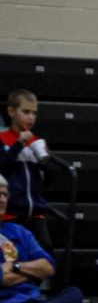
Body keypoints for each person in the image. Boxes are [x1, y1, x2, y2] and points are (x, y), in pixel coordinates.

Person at [0, 173, 83, 303]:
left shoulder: (19, 231)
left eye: (4, 194)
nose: (2, 199)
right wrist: (29, 273)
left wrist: (15, 266)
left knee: (74, 294)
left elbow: (47, 268)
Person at [0, 88, 52, 250]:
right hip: (11, 212)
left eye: (34, 113)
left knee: (45, 248)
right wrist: (17, 145)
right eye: (26, 112)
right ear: (11, 111)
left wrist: (45, 164)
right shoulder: (2, 139)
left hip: (35, 212)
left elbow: (48, 181)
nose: (31, 118)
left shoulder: (36, 142)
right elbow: (2, 169)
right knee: (13, 251)